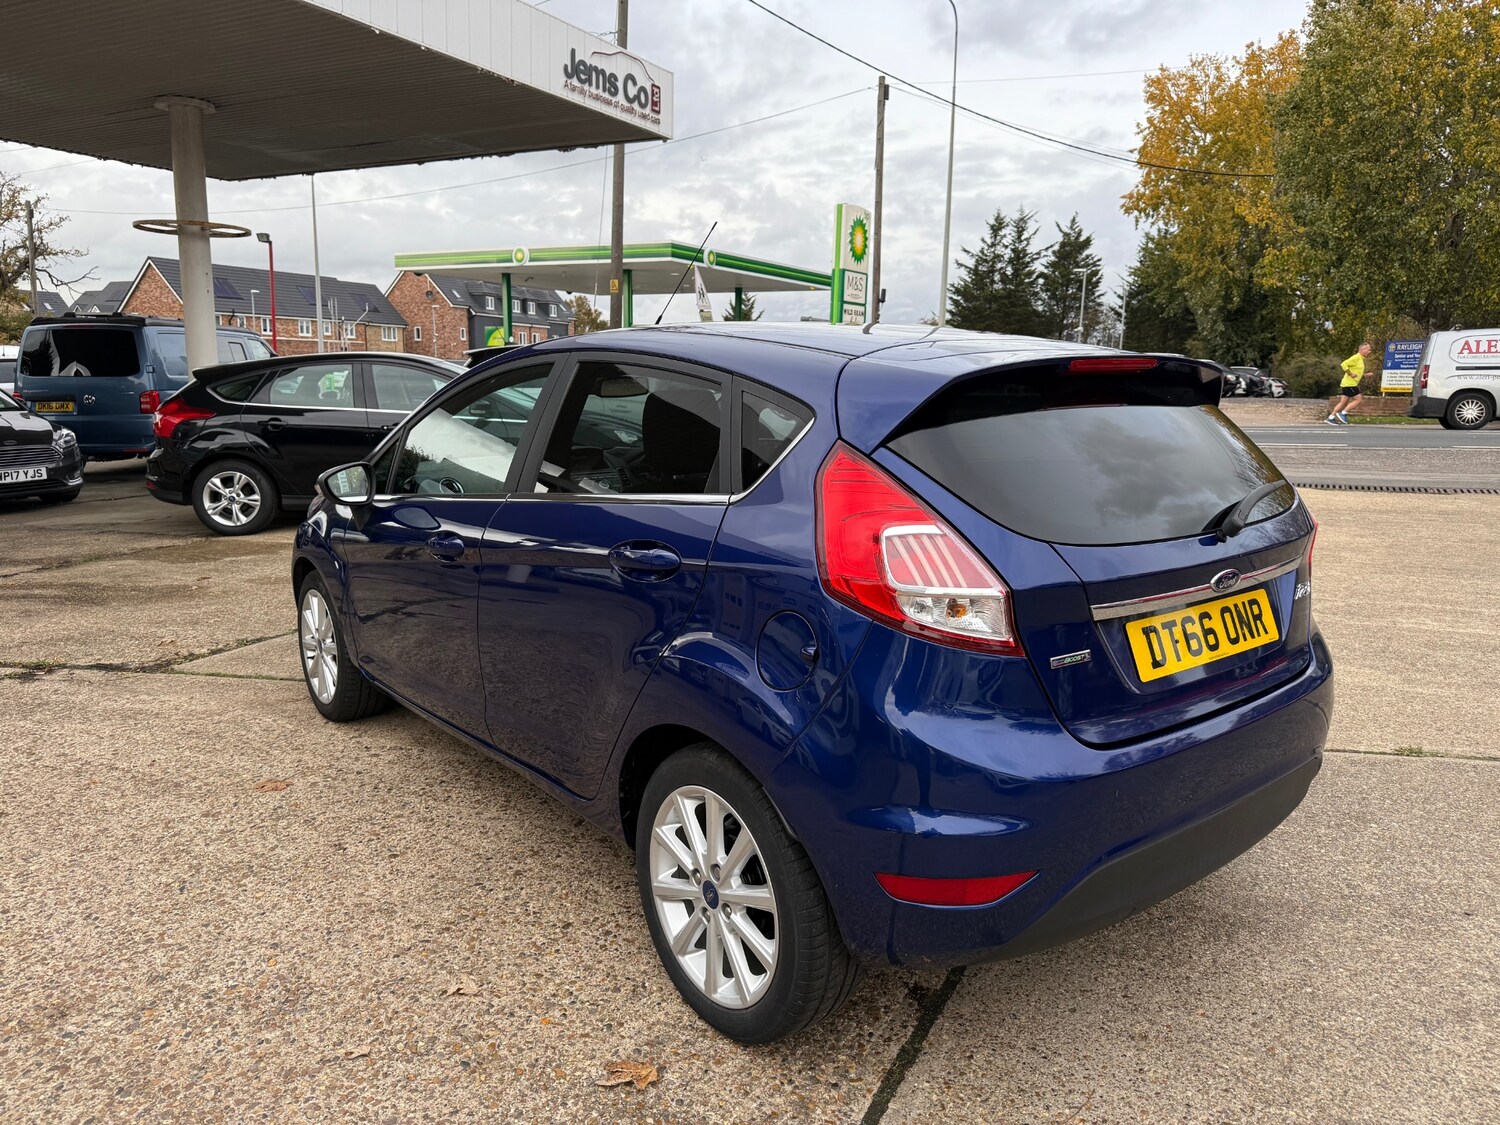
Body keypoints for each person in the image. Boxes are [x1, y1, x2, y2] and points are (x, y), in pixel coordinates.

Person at [1327, 343, 1372, 424]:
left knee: (1343, 402)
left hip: (1347, 384)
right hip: (1350, 384)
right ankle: (1343, 413)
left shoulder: (1361, 359)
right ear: (1363, 350)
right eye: (1368, 349)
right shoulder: (1356, 357)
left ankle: (1331, 417)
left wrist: (1365, 375)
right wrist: (1350, 374)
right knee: (1358, 399)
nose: (1369, 351)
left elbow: (1356, 371)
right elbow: (1343, 364)